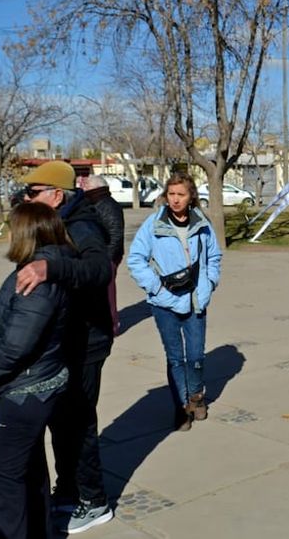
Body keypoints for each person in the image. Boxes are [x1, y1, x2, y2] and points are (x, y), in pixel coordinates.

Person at [0, 203, 75, 539]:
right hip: (36, 385)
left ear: (25, 233)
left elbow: (16, 346)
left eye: (11, 227)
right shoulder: (41, 269)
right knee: (28, 468)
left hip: (28, 390)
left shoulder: (36, 280)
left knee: (2, 474)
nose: (7, 234)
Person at [14, 160, 115, 534]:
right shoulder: (56, 224)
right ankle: (69, 489)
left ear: (57, 196)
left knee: (78, 423)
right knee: (61, 422)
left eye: (33, 192)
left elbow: (100, 269)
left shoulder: (82, 224)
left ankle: (94, 500)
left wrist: (50, 270)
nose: (26, 198)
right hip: (65, 340)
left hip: (86, 342)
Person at [128, 172, 222, 431]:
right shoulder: (153, 223)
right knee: (175, 358)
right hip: (164, 303)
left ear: (191, 196)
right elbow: (135, 259)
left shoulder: (202, 223)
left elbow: (214, 257)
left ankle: (196, 396)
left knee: (195, 356)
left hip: (195, 301)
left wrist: (210, 282)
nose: (176, 200)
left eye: (181, 194)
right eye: (171, 194)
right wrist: (155, 287)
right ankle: (181, 407)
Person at [81, 175, 124, 336]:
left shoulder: (108, 205)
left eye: (86, 186)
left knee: (108, 293)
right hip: (99, 255)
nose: (83, 188)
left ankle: (112, 326)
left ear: (94, 187)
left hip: (107, 257)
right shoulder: (95, 202)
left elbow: (115, 233)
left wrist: (108, 259)